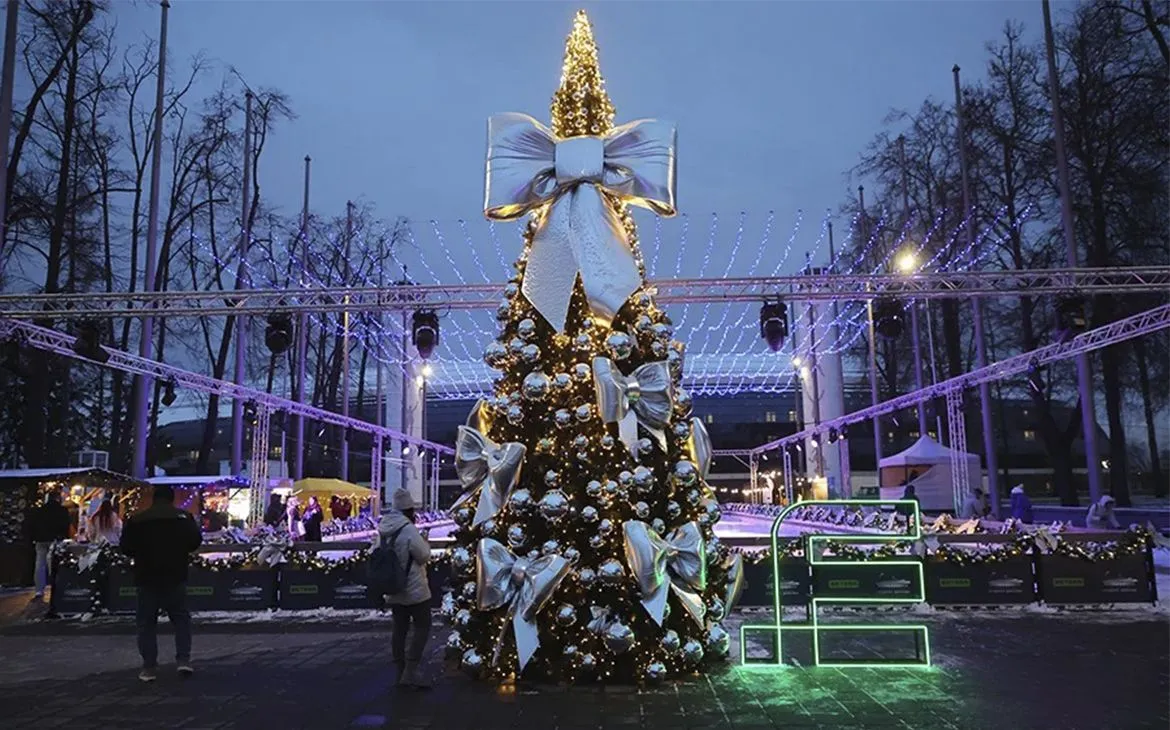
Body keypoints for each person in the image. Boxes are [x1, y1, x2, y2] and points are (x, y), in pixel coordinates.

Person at [120, 484, 203, 683]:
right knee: (180, 619)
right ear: (172, 499)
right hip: (175, 574)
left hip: (146, 576)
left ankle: (149, 666)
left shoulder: (137, 520)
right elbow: (195, 542)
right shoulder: (184, 518)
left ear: (154, 499)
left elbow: (126, 547)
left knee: (146, 623)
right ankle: (183, 659)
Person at [379, 488, 432, 689]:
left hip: (393, 587)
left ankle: (399, 669)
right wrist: (424, 540)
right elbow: (423, 555)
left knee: (399, 629)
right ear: (409, 510)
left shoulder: (383, 529)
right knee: (422, 626)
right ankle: (411, 670)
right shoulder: (408, 530)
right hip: (414, 589)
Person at [25, 491, 71, 601]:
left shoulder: (39, 510)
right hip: (55, 540)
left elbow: (31, 524)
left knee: (40, 565)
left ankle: (39, 590)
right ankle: (55, 588)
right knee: (54, 565)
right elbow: (66, 524)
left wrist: (33, 537)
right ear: (58, 498)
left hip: (40, 540)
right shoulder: (62, 510)